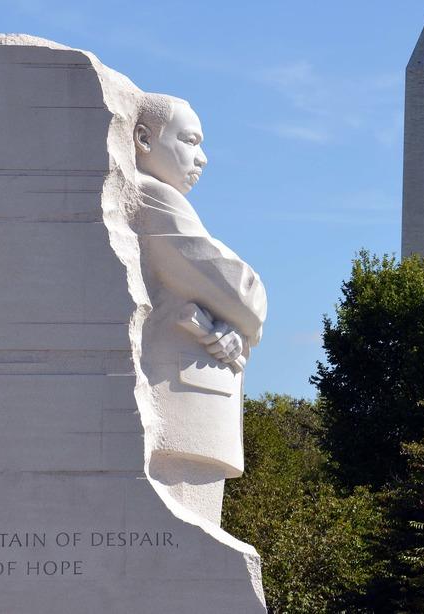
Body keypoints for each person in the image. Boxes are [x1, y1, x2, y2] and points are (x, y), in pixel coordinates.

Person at [132, 93, 267, 525]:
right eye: (190, 141)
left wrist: (236, 330)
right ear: (143, 139)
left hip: (194, 397)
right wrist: (245, 316)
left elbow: (228, 303)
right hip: (181, 401)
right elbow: (240, 290)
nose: (202, 158)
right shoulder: (152, 196)